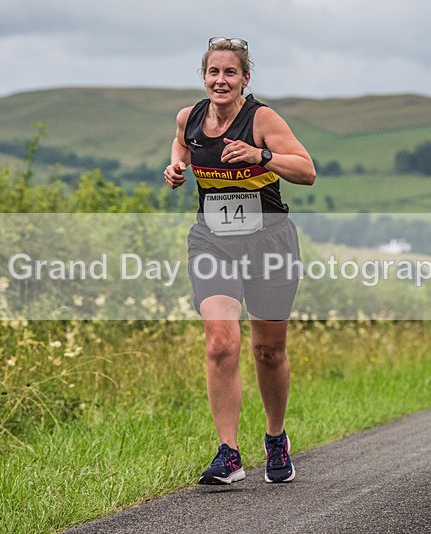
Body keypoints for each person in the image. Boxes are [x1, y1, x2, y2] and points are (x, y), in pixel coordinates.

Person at [164, 37, 316, 485]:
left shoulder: (262, 119)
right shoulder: (188, 118)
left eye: (231, 73)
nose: (221, 80)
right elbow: (182, 148)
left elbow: (306, 170)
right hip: (213, 242)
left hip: (270, 241)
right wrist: (176, 168)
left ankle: (274, 438)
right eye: (213, 72)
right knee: (220, 341)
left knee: (268, 350)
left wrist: (260, 155)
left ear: (245, 79)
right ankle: (228, 454)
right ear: (204, 76)